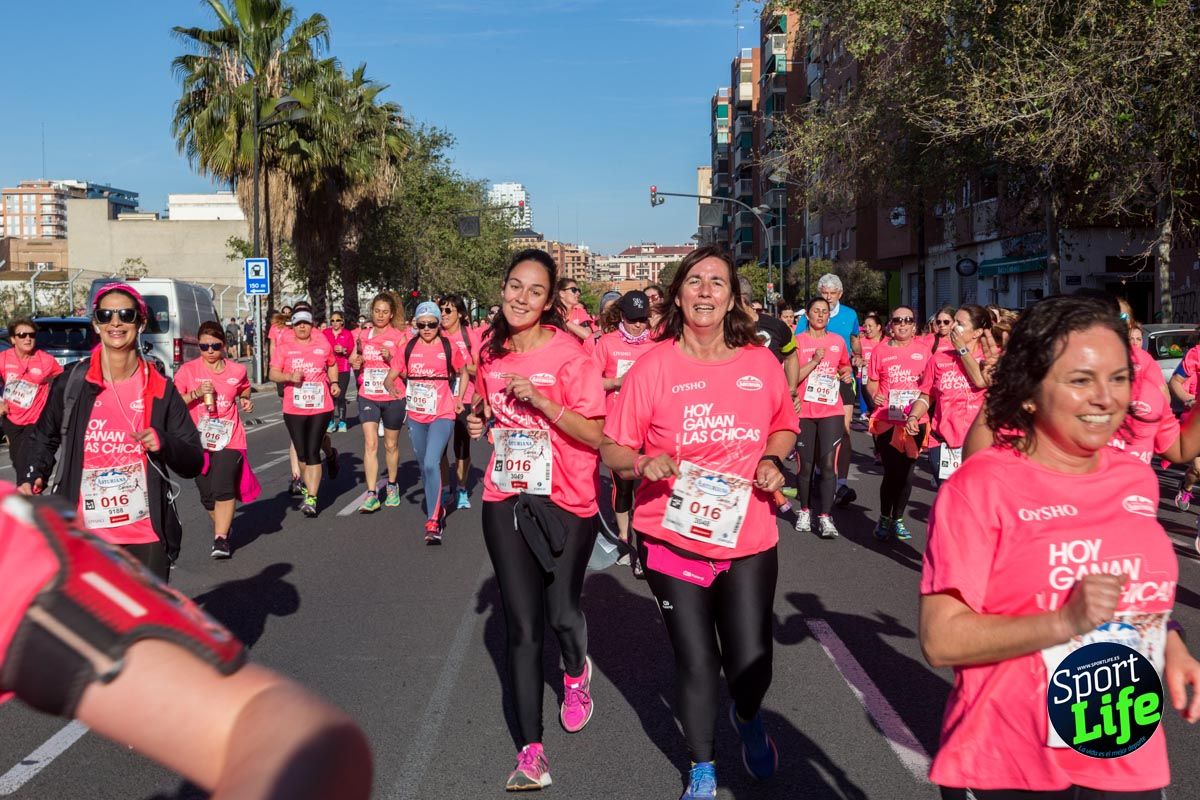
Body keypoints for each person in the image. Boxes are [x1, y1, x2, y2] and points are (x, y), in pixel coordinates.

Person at [919, 294, 1200, 800]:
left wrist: (1172, 645)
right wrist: (1063, 622)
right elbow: (941, 639)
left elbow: (1134, 599)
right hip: (1012, 755)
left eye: (1118, 378)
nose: (1106, 398)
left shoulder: (1136, 480)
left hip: (1123, 749)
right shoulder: (982, 486)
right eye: (1080, 380)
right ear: (1029, 392)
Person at [0, 483, 373, 799]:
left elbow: (293, 734)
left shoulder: (15, 540)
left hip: (139, 515)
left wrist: (161, 441)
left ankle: (260, 514)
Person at [601, 244, 797, 800]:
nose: (706, 290)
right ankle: (702, 766)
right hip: (671, 536)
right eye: (695, 281)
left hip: (748, 536)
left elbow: (784, 425)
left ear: (732, 298)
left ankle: (748, 714)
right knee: (696, 660)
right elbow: (613, 448)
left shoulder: (760, 364)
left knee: (751, 663)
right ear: (678, 294)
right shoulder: (653, 367)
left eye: (718, 282)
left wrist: (772, 458)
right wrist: (642, 463)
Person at [466, 249, 605, 791]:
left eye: (535, 291)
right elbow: (486, 407)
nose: (521, 298)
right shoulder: (489, 350)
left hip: (566, 499)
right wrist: (478, 421)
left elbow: (596, 434)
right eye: (514, 286)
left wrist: (544, 403)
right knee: (522, 626)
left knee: (562, 614)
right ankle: (531, 753)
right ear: (502, 288)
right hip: (507, 493)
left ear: (549, 302)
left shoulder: (572, 356)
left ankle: (575, 672)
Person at [18, 284, 202, 581]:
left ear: (141, 323)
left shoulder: (160, 388)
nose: (115, 322)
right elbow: (44, 436)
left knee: (143, 612)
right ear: (96, 324)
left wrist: (164, 442)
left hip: (145, 534)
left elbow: (194, 460)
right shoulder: (73, 383)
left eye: (126, 315)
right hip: (84, 533)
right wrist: (33, 474)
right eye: (106, 315)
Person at [385, 302, 467, 543]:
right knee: (424, 466)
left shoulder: (448, 346)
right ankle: (437, 507)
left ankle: (433, 519)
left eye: (432, 324)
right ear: (416, 325)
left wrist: (458, 398)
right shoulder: (408, 347)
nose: (427, 329)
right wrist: (392, 389)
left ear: (438, 324)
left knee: (432, 462)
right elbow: (390, 377)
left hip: (443, 413)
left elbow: (463, 372)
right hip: (416, 414)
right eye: (422, 325)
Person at [175, 321, 256, 559]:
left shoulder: (237, 370)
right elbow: (174, 403)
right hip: (197, 440)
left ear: (223, 345)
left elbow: (244, 388)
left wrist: (245, 399)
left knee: (223, 486)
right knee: (208, 496)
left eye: (215, 346)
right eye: (204, 346)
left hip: (230, 437)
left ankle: (220, 538)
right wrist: (196, 393)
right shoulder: (188, 371)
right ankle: (224, 527)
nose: (209, 351)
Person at [590, 290, 656, 574]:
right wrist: (619, 382)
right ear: (622, 317)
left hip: (649, 428)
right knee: (623, 488)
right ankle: (624, 539)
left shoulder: (656, 346)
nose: (638, 325)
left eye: (642, 320)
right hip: (616, 428)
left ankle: (643, 548)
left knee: (646, 488)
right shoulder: (607, 343)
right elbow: (590, 383)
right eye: (632, 320)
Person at [905, 306, 991, 488]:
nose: (953, 327)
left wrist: (962, 350)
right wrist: (914, 415)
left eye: (960, 323)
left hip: (977, 442)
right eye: (954, 322)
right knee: (948, 495)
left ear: (976, 332)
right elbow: (927, 395)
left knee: (974, 496)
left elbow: (981, 381)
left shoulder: (989, 359)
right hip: (942, 443)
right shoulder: (938, 359)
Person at [794, 274, 860, 507]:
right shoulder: (807, 321)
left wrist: (854, 361)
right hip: (810, 385)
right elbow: (796, 348)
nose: (828, 297)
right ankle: (817, 475)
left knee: (844, 430)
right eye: (824, 293)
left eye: (832, 293)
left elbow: (854, 340)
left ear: (840, 294)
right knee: (815, 438)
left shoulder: (850, 315)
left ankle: (839, 482)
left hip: (838, 381)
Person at [792, 297, 854, 539]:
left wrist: (846, 374)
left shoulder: (837, 341)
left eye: (825, 312)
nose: (820, 315)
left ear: (829, 316)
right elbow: (792, 378)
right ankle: (805, 511)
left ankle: (826, 516)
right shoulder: (797, 342)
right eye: (816, 311)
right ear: (807, 315)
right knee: (805, 466)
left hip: (831, 411)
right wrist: (815, 361)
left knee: (828, 465)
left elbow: (845, 366)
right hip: (804, 411)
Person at [269, 309, 340, 518]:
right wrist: (289, 376)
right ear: (293, 326)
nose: (302, 326)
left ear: (312, 326)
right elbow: (272, 373)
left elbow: (332, 364)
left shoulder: (322, 346)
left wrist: (334, 382)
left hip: (320, 406)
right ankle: (310, 489)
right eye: (298, 323)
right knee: (301, 453)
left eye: (306, 323)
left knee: (312, 451)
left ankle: (312, 497)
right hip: (294, 407)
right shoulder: (284, 348)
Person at [867, 305, 929, 542]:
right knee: (892, 472)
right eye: (897, 320)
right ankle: (885, 516)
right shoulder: (880, 351)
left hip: (916, 420)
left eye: (908, 320)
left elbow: (930, 387)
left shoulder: (924, 351)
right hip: (887, 419)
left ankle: (898, 519)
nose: (903, 324)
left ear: (914, 326)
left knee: (907, 474)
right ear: (890, 325)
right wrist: (875, 396)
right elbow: (872, 382)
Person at [349, 293, 408, 513]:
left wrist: (391, 358)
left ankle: (392, 485)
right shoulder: (363, 335)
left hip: (393, 395)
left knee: (390, 445)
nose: (380, 315)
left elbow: (406, 371)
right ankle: (372, 493)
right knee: (370, 443)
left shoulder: (399, 336)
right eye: (377, 311)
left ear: (391, 314)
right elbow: (355, 358)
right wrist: (356, 361)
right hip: (368, 394)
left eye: (385, 312)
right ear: (371, 311)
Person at [0, 318, 63, 477]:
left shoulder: (46, 360)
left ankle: (32, 484)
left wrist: (53, 403)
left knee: (27, 460)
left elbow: (62, 381)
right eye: (22, 335)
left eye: (31, 335)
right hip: (12, 418)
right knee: (17, 460)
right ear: (13, 339)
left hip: (37, 418)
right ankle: (38, 476)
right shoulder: (3, 358)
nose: (28, 338)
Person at [438, 293, 479, 510]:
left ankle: (462, 488)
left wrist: (461, 367)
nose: (443, 314)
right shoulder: (436, 334)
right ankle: (446, 488)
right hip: (440, 398)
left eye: (448, 310)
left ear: (460, 314)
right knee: (440, 448)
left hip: (465, 397)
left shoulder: (470, 336)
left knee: (461, 446)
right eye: (441, 310)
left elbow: (480, 368)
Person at [323, 311, 354, 434]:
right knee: (329, 397)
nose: (335, 323)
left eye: (337, 320)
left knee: (340, 396)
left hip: (343, 369)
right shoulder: (325, 333)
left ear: (342, 321)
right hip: (328, 369)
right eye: (332, 320)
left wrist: (344, 350)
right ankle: (330, 422)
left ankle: (342, 422)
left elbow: (351, 349)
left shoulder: (347, 334)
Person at [855, 312, 886, 422]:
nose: (867, 329)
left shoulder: (887, 342)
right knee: (871, 405)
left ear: (878, 327)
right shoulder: (861, 342)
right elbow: (854, 358)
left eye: (870, 326)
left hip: (883, 379)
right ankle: (867, 416)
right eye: (865, 326)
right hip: (864, 378)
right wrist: (858, 361)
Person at [555, 278, 593, 342]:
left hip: (576, 348)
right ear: (562, 293)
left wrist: (565, 322)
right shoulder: (552, 312)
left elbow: (587, 335)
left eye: (579, 290)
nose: (578, 293)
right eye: (574, 290)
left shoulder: (579, 311)